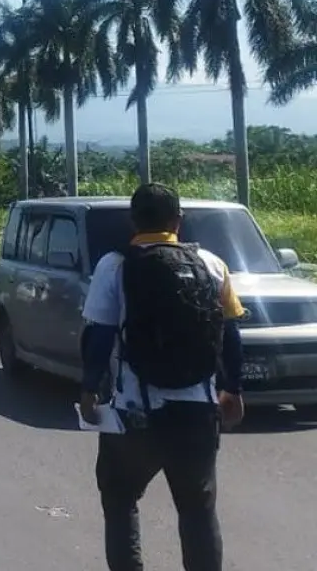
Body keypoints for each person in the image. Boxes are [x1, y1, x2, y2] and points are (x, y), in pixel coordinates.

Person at [80, 183, 244, 571]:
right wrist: (233, 390)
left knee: (119, 499)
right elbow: (231, 334)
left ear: (132, 220)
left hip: (135, 414)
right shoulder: (211, 264)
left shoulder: (115, 265)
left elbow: (100, 334)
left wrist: (89, 389)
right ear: (179, 221)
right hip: (198, 413)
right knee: (197, 509)